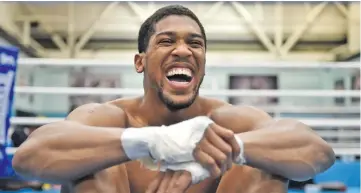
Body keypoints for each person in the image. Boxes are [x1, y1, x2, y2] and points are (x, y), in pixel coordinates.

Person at [12, 5, 335, 193]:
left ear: (203, 63)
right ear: (141, 62)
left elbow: (318, 152)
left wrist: (227, 149)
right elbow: (28, 158)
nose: (183, 50)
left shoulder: (229, 121)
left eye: (195, 44)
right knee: (89, 165)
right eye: (166, 41)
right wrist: (155, 141)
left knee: (265, 165)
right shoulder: (108, 117)